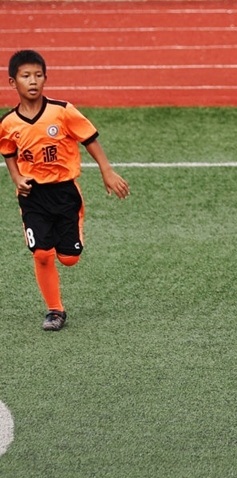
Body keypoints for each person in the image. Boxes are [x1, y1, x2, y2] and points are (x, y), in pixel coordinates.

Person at [0, 49, 130, 331]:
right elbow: (8, 150)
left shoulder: (62, 111)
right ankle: (55, 310)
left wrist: (107, 171)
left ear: (45, 79)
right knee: (41, 254)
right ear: (12, 82)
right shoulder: (8, 123)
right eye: (25, 76)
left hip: (65, 193)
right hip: (33, 196)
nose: (32, 81)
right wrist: (16, 177)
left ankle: (75, 226)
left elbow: (90, 138)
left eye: (38, 75)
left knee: (69, 259)